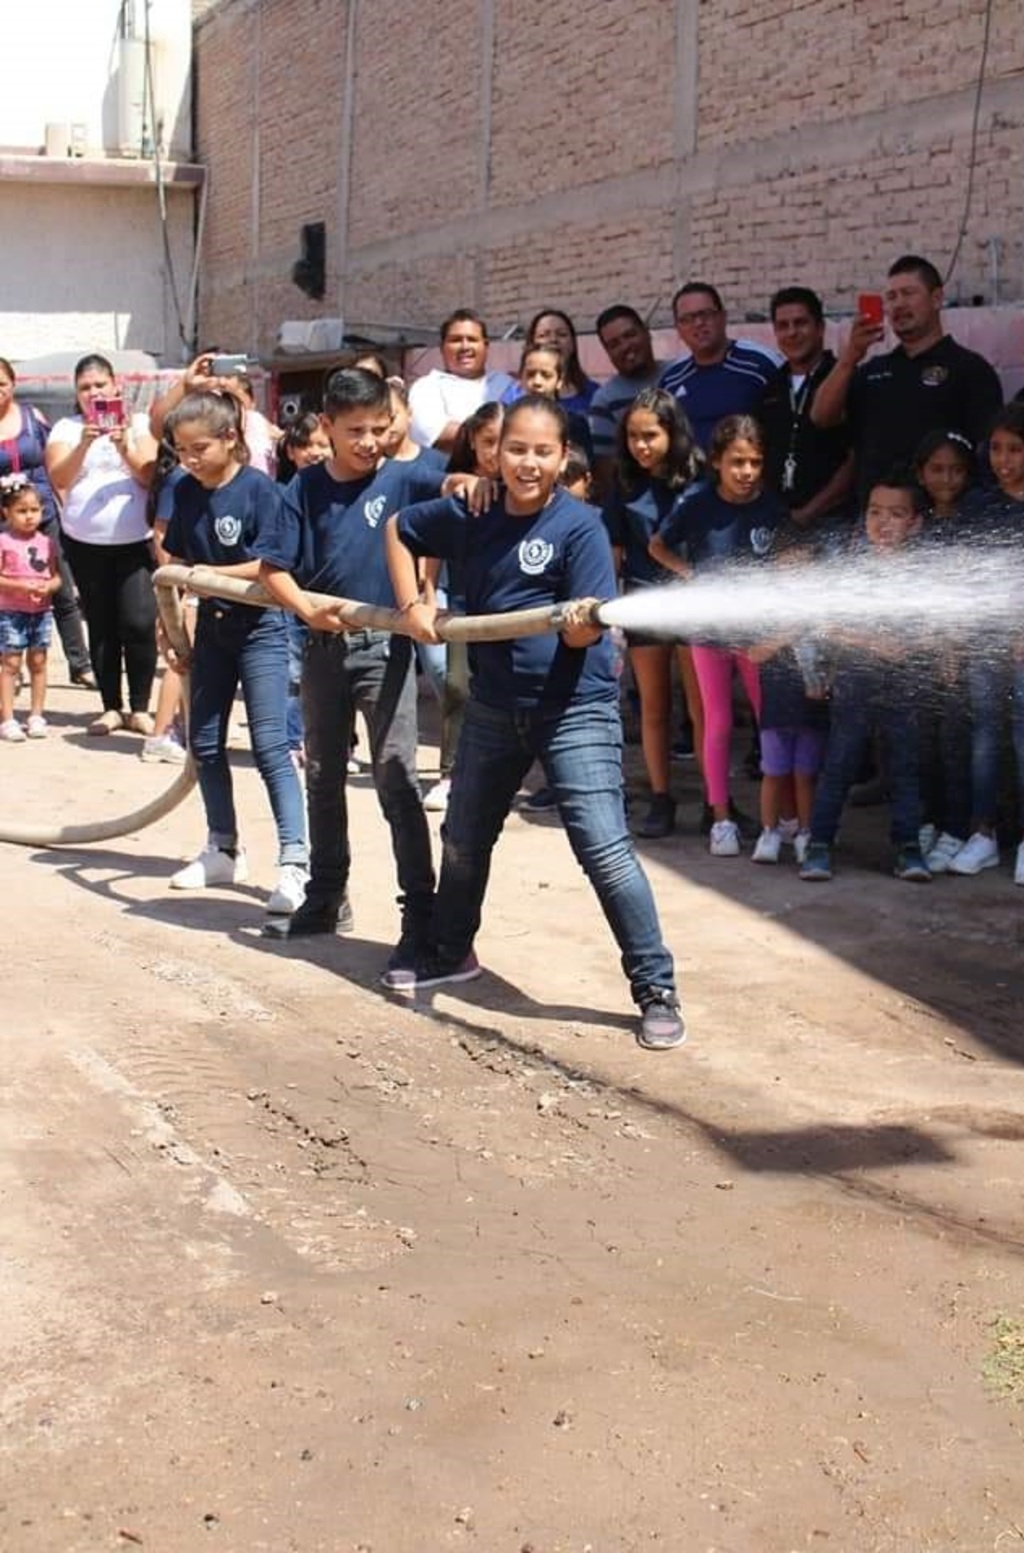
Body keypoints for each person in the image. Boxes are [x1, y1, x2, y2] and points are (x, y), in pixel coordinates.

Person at [383, 394, 685, 1052]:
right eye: (515, 448)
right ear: (493, 451)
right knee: (463, 837)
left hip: (574, 710)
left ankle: (655, 985)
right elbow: (402, 528)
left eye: (542, 451)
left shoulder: (579, 527)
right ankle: (451, 948)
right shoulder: (471, 509)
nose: (527, 462)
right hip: (492, 707)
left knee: (603, 850)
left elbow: (585, 638)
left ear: (563, 457)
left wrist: (580, 627)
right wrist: (414, 603)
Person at [252, 367, 448, 962]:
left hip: (385, 650)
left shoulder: (411, 477)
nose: (369, 441)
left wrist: (427, 585)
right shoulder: (304, 489)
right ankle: (325, 896)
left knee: (396, 776)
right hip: (322, 651)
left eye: (379, 428)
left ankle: (420, 913)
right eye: (356, 430)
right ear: (328, 427)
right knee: (323, 775)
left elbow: (451, 504)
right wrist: (307, 610)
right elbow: (272, 569)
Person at [155, 391, 309, 911]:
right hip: (212, 632)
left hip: (261, 629)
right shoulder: (186, 491)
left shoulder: (260, 491)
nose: (189, 459)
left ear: (230, 438)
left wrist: (205, 576)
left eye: (199, 448)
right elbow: (174, 561)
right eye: (180, 450)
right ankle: (222, 845)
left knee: (269, 745)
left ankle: (295, 863)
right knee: (204, 741)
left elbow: (270, 565)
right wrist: (171, 625)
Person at [650, 414, 785, 856]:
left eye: (755, 462)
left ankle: (779, 816)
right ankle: (721, 818)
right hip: (708, 631)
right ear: (718, 463)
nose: (747, 472)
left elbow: (785, 557)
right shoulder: (698, 503)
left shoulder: (770, 506)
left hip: (757, 634)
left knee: (771, 720)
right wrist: (690, 574)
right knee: (718, 724)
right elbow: (658, 545)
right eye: (737, 462)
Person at [799, 471, 932, 883]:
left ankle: (908, 847)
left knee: (906, 766)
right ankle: (819, 844)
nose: (883, 522)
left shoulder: (926, 573)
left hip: (904, 685)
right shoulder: (852, 568)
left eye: (896, 513)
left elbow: (932, 627)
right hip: (855, 681)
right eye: (875, 512)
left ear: (915, 522)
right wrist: (870, 646)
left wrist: (908, 645)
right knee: (840, 762)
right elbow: (829, 625)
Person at [810, 254, 1003, 500]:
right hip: (875, 523)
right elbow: (821, 417)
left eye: (908, 293)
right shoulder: (872, 371)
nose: (898, 304)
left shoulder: (970, 369)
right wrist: (851, 356)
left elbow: (987, 456)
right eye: (891, 297)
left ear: (936, 298)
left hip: (940, 522)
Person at [604, 388, 704, 839]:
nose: (640, 445)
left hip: (695, 605)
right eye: (632, 436)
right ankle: (661, 799)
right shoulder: (623, 485)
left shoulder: (700, 477)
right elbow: (614, 554)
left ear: (673, 432)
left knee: (703, 711)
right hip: (644, 602)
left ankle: (714, 801)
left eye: (650, 435)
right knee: (654, 707)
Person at [45, 353, 159, 736]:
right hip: (86, 542)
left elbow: (149, 474)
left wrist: (123, 443)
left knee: (140, 621)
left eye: (99, 385)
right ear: (76, 395)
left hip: (135, 540)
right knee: (103, 625)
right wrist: (83, 444)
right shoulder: (65, 428)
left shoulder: (139, 423)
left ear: (116, 387)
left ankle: (140, 706)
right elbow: (58, 478)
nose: (93, 393)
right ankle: (111, 706)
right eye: (84, 388)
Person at [949, 403, 1024, 882]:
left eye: (1015, 450)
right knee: (984, 738)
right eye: (996, 449)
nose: (1004, 461)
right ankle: (983, 834)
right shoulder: (979, 506)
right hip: (983, 641)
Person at [421, 403, 504, 814]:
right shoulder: (458, 488)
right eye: (489, 441)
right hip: (462, 604)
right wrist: (427, 591)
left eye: (505, 443)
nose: (496, 452)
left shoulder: (522, 489)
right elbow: (434, 540)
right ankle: (450, 773)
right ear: (472, 440)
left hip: (509, 604)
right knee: (457, 685)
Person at [0, 357, 94, 688]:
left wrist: (64, 503)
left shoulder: (32, 416)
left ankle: (80, 664)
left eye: (2, 383)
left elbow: (54, 465)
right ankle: (9, 667)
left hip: (42, 516)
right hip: (2, 526)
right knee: (5, 593)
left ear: (13, 383)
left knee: (62, 590)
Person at [912, 430, 976, 873]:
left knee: (955, 747)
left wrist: (952, 646)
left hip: (959, 660)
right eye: (937, 469)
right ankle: (927, 823)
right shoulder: (916, 524)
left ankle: (955, 829)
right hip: (920, 657)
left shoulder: (974, 526)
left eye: (955, 469)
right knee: (921, 747)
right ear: (922, 473)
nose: (946, 478)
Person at [746, 540, 829, 865]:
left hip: (812, 709)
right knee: (774, 773)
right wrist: (788, 631)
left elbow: (831, 660)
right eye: (787, 568)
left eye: (803, 568)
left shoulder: (823, 614)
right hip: (776, 710)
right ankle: (770, 833)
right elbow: (755, 653)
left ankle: (806, 833)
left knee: (805, 775)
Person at [757, 288, 854, 536]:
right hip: (780, 525)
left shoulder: (845, 378)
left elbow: (857, 457)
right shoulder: (769, 387)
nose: (791, 332)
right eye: (783, 325)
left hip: (835, 523)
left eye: (800, 323)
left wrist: (809, 513)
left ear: (820, 327)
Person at [660, 283, 780, 451]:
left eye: (705, 314)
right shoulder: (671, 379)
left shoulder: (760, 363)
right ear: (678, 329)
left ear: (723, 317)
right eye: (687, 319)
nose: (698, 323)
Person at [0, 474, 61, 741]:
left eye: (34, 510)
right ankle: (8, 717)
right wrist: (21, 587)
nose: (29, 516)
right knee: (11, 663)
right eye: (21, 511)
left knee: (38, 662)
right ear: (6, 512)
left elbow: (56, 576)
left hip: (41, 612)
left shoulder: (46, 542)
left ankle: (36, 715)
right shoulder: (3, 541)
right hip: (10, 611)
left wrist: (50, 587)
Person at [408, 309, 514, 454]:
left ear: (486, 346)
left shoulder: (506, 384)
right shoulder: (426, 387)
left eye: (472, 339)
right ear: (442, 348)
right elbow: (436, 435)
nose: (465, 347)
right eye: (456, 340)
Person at [589, 305, 666, 500]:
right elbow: (608, 474)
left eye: (630, 335)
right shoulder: (604, 400)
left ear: (647, 333)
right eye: (614, 344)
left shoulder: (680, 375)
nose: (625, 346)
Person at [502, 343, 593, 457]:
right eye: (530, 374)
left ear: (559, 381)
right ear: (520, 378)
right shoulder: (508, 421)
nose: (537, 382)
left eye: (546, 375)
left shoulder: (573, 425)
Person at [523, 309, 598, 413]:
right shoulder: (515, 397)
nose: (553, 340)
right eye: (543, 335)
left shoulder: (594, 394)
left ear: (573, 344)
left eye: (562, 334)